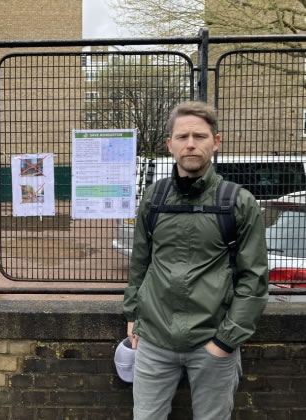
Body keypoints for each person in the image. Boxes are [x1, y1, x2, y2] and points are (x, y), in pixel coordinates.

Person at [123, 101, 268, 420]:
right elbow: (140, 263)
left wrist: (225, 341)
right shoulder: (154, 198)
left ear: (216, 141)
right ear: (170, 144)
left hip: (213, 342)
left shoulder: (238, 203)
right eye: (183, 136)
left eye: (200, 136)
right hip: (154, 341)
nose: (191, 143)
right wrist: (133, 315)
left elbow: (254, 280)